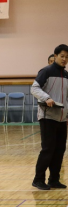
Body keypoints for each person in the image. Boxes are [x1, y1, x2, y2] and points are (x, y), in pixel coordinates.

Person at [31, 44, 68, 190]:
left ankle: (54, 179)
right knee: (48, 149)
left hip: (62, 118)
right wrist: (47, 98)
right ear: (55, 56)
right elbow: (34, 88)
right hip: (48, 117)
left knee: (60, 150)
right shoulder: (46, 71)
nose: (64, 59)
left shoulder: (66, 75)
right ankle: (38, 179)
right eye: (62, 56)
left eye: (67, 57)